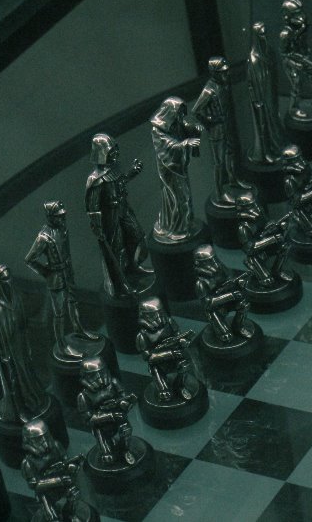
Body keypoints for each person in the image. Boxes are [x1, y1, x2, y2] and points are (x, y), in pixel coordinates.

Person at [25, 200, 97, 357]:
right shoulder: (43, 237)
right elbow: (29, 259)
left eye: (63, 216)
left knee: (73, 302)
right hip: (56, 277)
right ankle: (62, 345)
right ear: (50, 217)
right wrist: (46, 272)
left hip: (68, 273)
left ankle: (78, 329)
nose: (62, 218)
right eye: (59, 216)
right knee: (59, 313)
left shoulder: (63, 229)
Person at [85, 133, 150, 297]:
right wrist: (97, 226)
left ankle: (133, 266)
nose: (115, 153)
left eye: (115, 149)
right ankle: (120, 284)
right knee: (116, 248)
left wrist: (131, 173)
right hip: (110, 218)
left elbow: (120, 183)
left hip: (123, 209)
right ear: (101, 153)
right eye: (110, 151)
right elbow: (92, 206)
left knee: (137, 236)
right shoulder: (95, 179)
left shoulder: (114, 169)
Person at [0, 264, 48, 423]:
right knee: (16, 377)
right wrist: (2, 352)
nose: (8, 282)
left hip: (20, 342)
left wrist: (26, 338)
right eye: (4, 280)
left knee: (27, 370)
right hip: (9, 349)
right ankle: (21, 405)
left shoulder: (16, 298)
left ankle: (34, 398)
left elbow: (23, 320)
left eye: (9, 278)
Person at [193, 57, 250, 204]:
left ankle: (233, 180)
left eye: (226, 71)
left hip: (226, 125)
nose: (226, 74)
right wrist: (211, 121)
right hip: (216, 131)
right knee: (218, 163)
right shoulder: (208, 90)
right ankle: (219, 193)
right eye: (223, 72)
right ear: (214, 73)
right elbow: (196, 111)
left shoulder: (223, 85)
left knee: (231, 153)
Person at [150, 97, 203, 242]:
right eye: (179, 113)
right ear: (171, 113)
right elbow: (167, 146)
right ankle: (178, 230)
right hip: (170, 169)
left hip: (178, 167)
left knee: (184, 196)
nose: (181, 117)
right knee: (180, 198)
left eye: (182, 113)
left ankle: (184, 224)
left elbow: (186, 127)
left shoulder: (176, 122)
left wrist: (194, 128)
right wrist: (185, 143)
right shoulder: (158, 130)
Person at [76, 357, 137, 465]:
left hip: (119, 418)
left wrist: (124, 404)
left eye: (101, 373)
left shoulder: (113, 382)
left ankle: (125, 450)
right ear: (86, 376)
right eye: (94, 375)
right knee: (108, 458)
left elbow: (124, 398)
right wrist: (110, 416)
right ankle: (107, 450)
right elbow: (88, 419)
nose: (99, 378)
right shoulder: (83, 395)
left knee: (126, 431)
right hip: (101, 427)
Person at [21, 419, 84, 521]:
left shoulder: (57, 446)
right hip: (45, 493)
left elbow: (65, 462)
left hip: (62, 485)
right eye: (39, 439)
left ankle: (69, 514)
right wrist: (58, 480)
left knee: (74, 494)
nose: (44, 442)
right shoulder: (28, 462)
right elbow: (34, 485)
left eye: (46, 436)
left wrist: (72, 467)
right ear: (29, 441)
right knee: (52, 517)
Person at [135, 297, 194, 401]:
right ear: (146, 316)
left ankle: (179, 385)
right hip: (158, 363)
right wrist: (169, 353)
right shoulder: (142, 335)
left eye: (160, 312)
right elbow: (148, 357)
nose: (158, 316)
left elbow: (177, 335)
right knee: (159, 378)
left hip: (174, 357)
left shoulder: (170, 322)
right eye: (154, 314)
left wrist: (182, 342)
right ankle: (163, 388)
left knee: (184, 364)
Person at [194, 245, 253, 343]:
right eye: (209, 261)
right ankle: (221, 330)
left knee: (244, 304)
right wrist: (230, 296)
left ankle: (238, 326)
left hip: (227, 302)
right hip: (214, 310)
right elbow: (208, 303)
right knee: (226, 337)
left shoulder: (221, 270)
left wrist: (239, 283)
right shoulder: (201, 283)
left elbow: (230, 280)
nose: (214, 263)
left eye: (213, 258)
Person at [247, 21, 285, 165]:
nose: (264, 38)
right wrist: (257, 100)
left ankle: (277, 145)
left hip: (270, 94)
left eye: (265, 34)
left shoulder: (269, 53)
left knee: (274, 118)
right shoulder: (253, 60)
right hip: (261, 99)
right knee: (263, 124)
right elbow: (252, 84)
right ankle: (266, 151)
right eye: (261, 35)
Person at [279, 0, 312, 116]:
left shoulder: (300, 27)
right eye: (296, 15)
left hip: (300, 57)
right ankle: (293, 108)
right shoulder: (285, 34)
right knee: (296, 83)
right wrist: (296, 63)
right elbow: (284, 54)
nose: (300, 17)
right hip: (290, 60)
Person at [236, 194, 291, 288]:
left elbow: (266, 227)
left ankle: (277, 270)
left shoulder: (259, 218)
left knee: (284, 247)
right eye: (251, 206)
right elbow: (249, 248)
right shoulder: (243, 228)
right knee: (267, 281)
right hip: (255, 255)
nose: (255, 208)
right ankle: (254, 267)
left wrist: (278, 228)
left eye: (254, 204)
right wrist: (271, 239)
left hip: (266, 247)